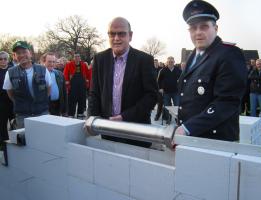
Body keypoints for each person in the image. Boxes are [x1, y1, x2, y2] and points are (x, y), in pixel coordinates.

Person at [175, 0, 247, 141]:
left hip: (214, 140)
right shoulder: (192, 56)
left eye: (204, 27)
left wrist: (188, 128)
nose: (198, 32)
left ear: (216, 28)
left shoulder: (229, 54)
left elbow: (227, 102)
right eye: (193, 28)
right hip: (191, 136)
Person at [88, 17, 157, 147]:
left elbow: (151, 96)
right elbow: (94, 93)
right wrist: (92, 118)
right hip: (108, 131)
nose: (116, 38)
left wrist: (124, 117)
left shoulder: (144, 60)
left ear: (130, 36)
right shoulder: (100, 59)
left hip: (137, 132)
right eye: (112, 34)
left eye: (121, 33)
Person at [3, 41, 51, 128]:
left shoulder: (43, 69)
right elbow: (10, 93)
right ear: (15, 56)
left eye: (24, 52)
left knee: (45, 138)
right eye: (18, 53)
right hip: (22, 115)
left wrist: (40, 101)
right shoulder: (10, 72)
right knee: (25, 140)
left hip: (42, 112)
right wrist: (21, 103)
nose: (21, 55)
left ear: (30, 53)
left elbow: (48, 89)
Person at [64, 53, 89, 119]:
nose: (77, 58)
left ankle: (80, 114)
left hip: (81, 84)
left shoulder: (83, 64)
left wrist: (87, 80)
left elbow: (87, 73)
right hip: (73, 84)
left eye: (78, 56)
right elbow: (65, 73)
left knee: (82, 99)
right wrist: (67, 81)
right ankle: (71, 114)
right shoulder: (69, 64)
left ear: (80, 57)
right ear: (73, 57)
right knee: (72, 99)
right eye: (75, 57)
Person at [157, 56, 181, 124]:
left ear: (174, 62)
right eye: (169, 62)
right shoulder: (163, 70)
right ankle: (168, 118)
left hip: (176, 91)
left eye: (171, 61)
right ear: (167, 62)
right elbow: (159, 80)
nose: (170, 63)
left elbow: (182, 79)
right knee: (167, 106)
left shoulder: (178, 70)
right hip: (166, 91)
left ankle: (177, 119)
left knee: (177, 105)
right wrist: (160, 88)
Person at [0, 51, 14, 147]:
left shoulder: (12, 70)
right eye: (1, 59)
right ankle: (4, 145)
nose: (3, 61)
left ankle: (15, 142)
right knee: (2, 124)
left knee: (14, 123)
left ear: (8, 60)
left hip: (12, 101)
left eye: (5, 59)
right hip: (1, 102)